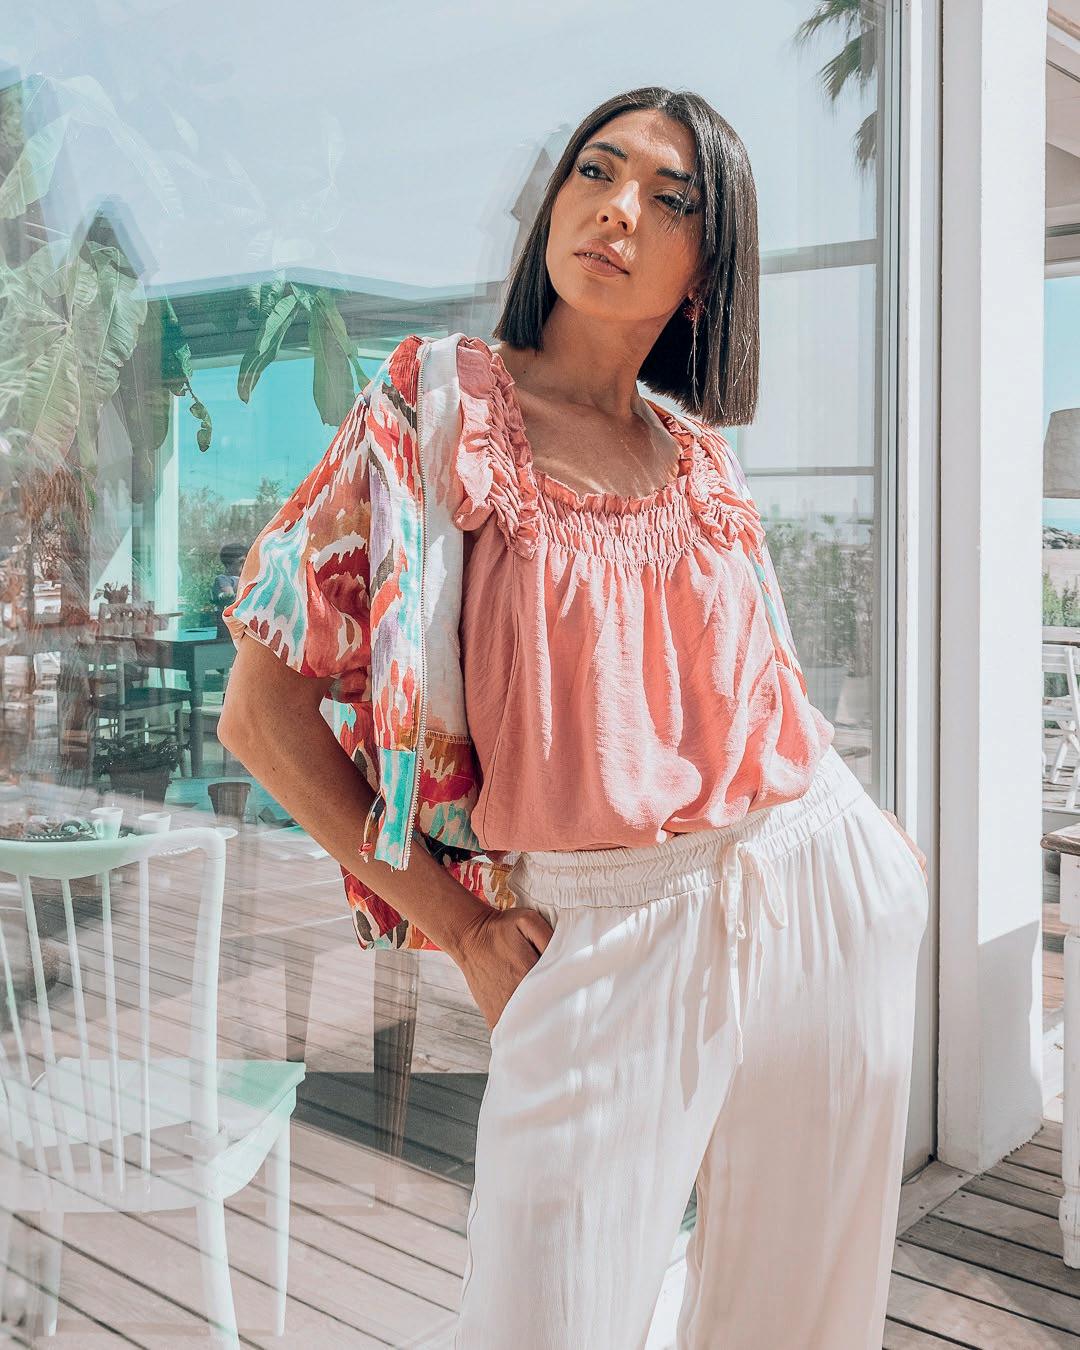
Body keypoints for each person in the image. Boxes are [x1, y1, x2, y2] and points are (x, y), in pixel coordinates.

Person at [220, 86, 929, 1350]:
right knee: (541, 1316)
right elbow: (260, 717)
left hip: (809, 885)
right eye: (595, 172)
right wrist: (461, 929)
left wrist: (873, 849)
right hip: (594, 929)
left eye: (671, 199)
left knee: (795, 1315)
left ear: (707, 274)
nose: (617, 210)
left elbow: (767, 690)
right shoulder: (434, 409)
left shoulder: (699, 455)